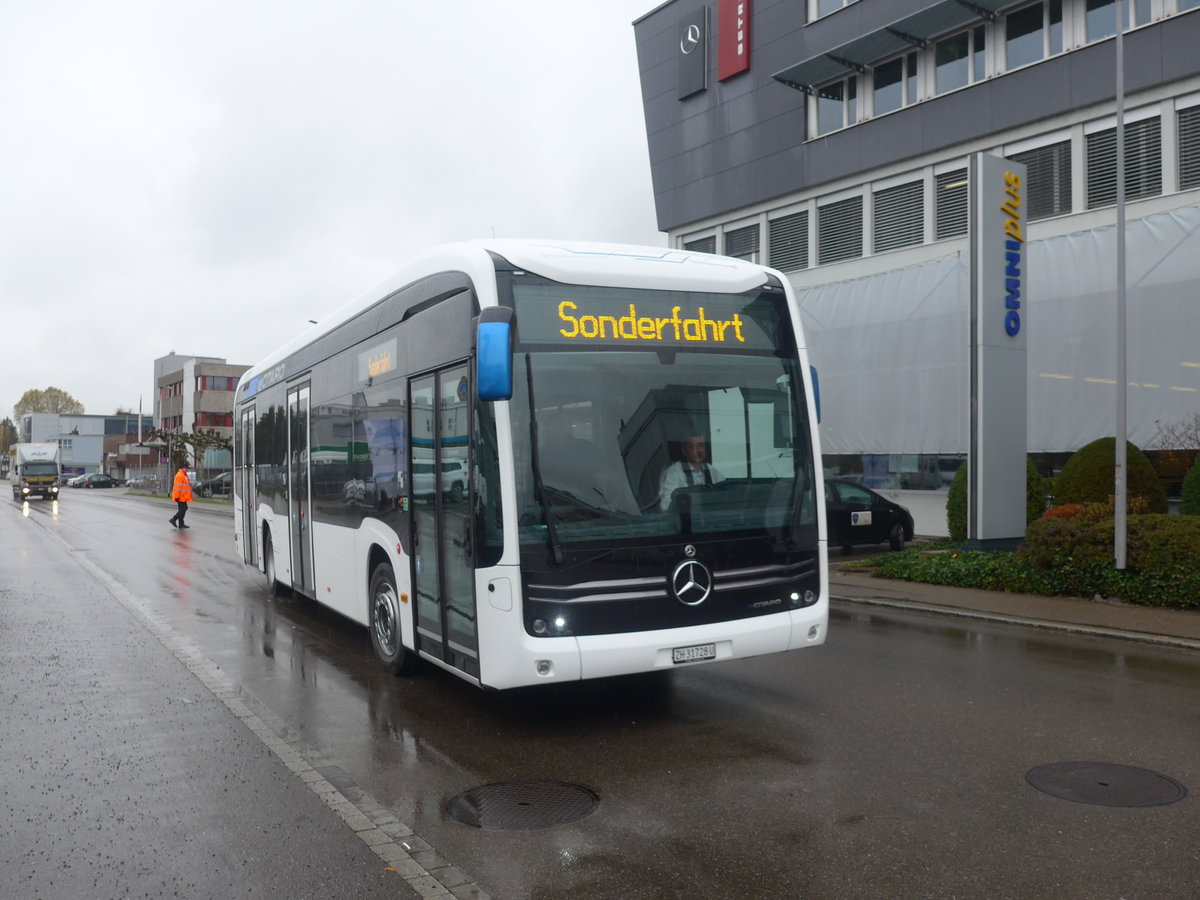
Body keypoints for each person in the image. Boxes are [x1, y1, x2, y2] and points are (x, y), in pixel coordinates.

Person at [659, 432, 725, 510]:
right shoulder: (674, 473)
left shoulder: (712, 471)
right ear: (684, 450)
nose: (698, 451)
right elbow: (665, 506)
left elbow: (724, 495)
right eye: (692, 447)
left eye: (701, 445)